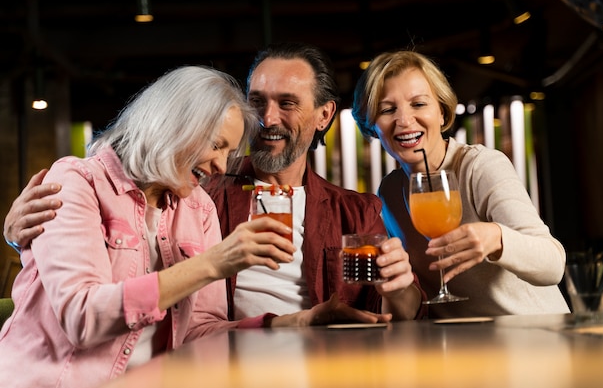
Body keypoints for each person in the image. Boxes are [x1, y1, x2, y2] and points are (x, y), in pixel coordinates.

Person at [0, 65, 384, 388]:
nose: (221, 165)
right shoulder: (79, 181)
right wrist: (213, 264)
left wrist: (300, 321)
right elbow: (83, 318)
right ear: (175, 125)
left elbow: (200, 330)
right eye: (216, 145)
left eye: (229, 152)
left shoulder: (196, 205)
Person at [3, 43, 425, 323]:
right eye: (256, 102)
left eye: (288, 104)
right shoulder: (196, 191)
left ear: (324, 116)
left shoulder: (356, 210)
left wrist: (401, 284)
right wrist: (22, 234)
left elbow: (400, 315)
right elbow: (119, 206)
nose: (268, 119)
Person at [351, 49, 570, 318]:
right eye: (387, 109)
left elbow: (553, 264)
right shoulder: (390, 192)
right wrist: (394, 285)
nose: (405, 120)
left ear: (442, 113)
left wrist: (497, 238)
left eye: (419, 104)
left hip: (536, 341)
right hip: (463, 349)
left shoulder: (479, 166)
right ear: (373, 126)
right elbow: (411, 304)